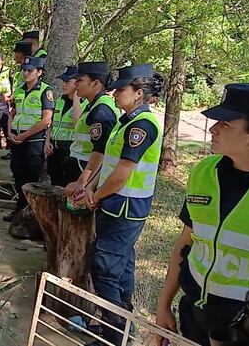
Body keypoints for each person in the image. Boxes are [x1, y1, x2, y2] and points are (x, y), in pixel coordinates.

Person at [155, 83, 249, 346]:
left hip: (243, 329)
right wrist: (164, 305)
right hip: (193, 312)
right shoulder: (204, 172)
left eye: (225, 123)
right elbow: (186, 240)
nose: (213, 129)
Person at [79, 64, 164, 346]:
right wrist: (90, 188)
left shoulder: (141, 125)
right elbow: (107, 162)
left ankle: (113, 335)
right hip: (115, 204)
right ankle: (123, 329)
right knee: (122, 267)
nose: (114, 94)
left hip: (125, 208)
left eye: (121, 90)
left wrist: (97, 195)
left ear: (139, 93)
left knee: (104, 268)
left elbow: (123, 172)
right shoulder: (125, 120)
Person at [5, 56, 54, 222]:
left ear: (39, 72)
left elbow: (46, 119)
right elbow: (13, 113)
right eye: (24, 70)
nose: (26, 73)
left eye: (30, 71)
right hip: (17, 139)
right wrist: (10, 132)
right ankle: (19, 210)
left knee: (31, 177)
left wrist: (24, 135)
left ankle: (29, 214)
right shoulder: (19, 89)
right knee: (17, 173)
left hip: (33, 140)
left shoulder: (45, 91)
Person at [65, 62, 120, 202]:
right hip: (83, 166)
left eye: (80, 80)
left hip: (88, 169)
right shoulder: (94, 104)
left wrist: (83, 181)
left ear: (95, 83)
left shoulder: (101, 110)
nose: (76, 84)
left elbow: (100, 151)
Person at [44, 65, 85, 187]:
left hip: (70, 150)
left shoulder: (85, 102)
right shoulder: (60, 100)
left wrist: (77, 98)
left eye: (67, 81)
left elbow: (77, 123)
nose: (63, 84)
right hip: (54, 149)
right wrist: (47, 141)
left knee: (69, 185)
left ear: (77, 83)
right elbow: (52, 124)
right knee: (55, 183)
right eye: (63, 81)